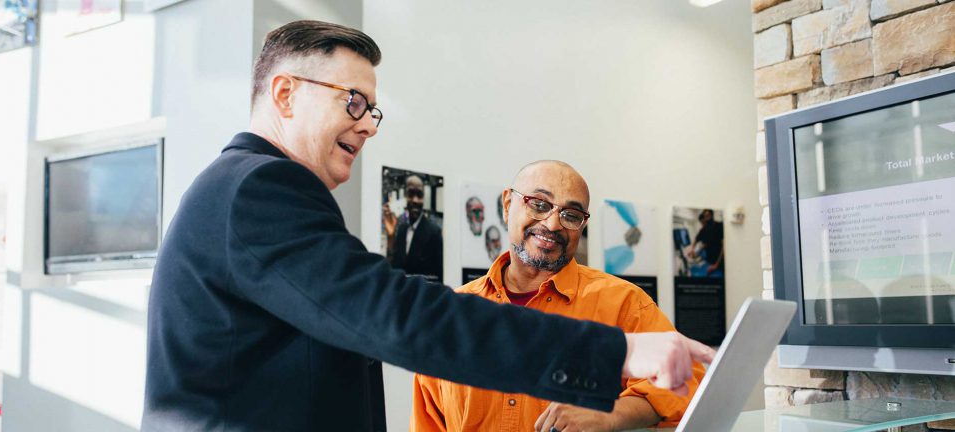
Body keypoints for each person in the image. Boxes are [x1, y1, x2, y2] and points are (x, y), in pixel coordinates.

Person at [142, 20, 714, 432]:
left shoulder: (243, 189)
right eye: (353, 102)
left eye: (372, 109)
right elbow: (397, 315)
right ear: (285, 94)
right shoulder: (259, 188)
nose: (369, 126)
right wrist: (614, 353)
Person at [411, 161, 706, 432]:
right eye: (539, 204)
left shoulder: (623, 304)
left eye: (571, 215)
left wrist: (612, 413)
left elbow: (689, 385)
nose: (553, 225)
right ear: (507, 204)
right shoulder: (449, 318)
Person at [383, 175, 443, 282]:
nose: (415, 200)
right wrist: (391, 238)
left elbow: (439, 277)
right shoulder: (401, 229)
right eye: (410, 194)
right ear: (405, 196)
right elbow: (393, 269)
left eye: (419, 195)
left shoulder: (434, 232)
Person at [687, 209, 724, 277]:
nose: (706, 219)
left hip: (720, 261)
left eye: (708, 216)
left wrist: (716, 264)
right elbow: (696, 239)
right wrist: (692, 249)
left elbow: (724, 246)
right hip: (710, 261)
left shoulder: (719, 226)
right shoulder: (703, 230)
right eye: (705, 216)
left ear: (712, 215)